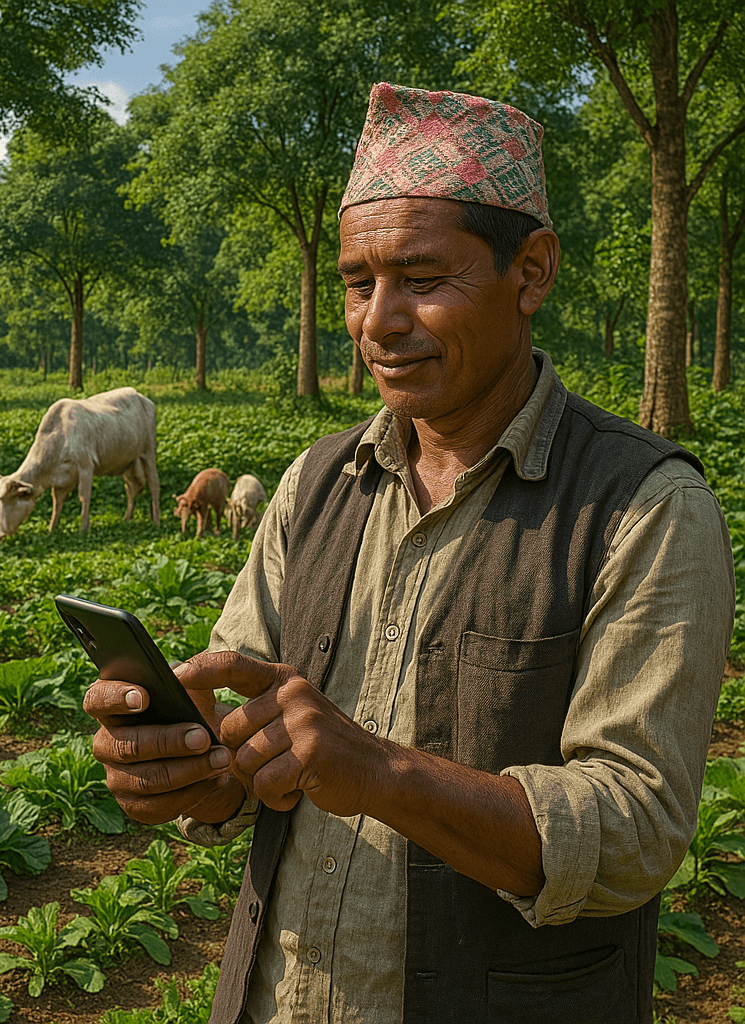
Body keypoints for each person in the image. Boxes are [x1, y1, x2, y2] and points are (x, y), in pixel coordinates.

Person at [84, 84, 735, 1024]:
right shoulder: (314, 485)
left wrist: (382, 773)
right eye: (358, 282)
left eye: (424, 281)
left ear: (533, 272)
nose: (378, 322)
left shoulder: (643, 507)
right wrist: (189, 767)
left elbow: (635, 828)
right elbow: (250, 749)